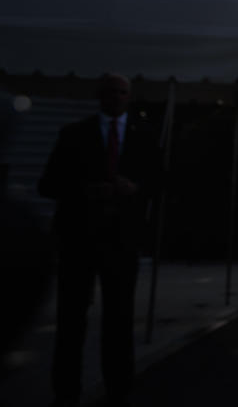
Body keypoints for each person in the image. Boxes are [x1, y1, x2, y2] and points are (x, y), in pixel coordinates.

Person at [39, 73, 161, 407]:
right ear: (100, 96)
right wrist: (83, 191)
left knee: (119, 319)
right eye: (110, 92)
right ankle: (66, 392)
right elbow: (48, 184)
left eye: (122, 93)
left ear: (129, 97)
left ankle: (119, 388)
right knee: (71, 320)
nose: (116, 98)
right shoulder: (74, 134)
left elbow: (159, 182)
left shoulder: (144, 137)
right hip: (79, 237)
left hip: (121, 240)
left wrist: (134, 189)